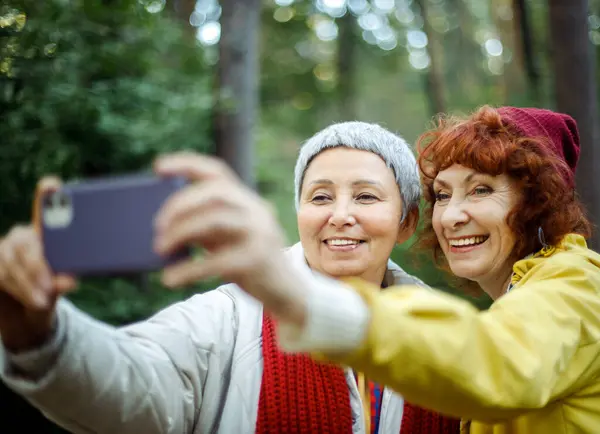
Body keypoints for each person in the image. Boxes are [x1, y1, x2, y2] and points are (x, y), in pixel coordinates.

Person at [0, 122, 460, 433]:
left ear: (405, 221)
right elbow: (133, 382)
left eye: (365, 197)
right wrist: (44, 336)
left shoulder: (444, 335)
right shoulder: (230, 316)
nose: (340, 216)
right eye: (320, 198)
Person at [177, 106, 599, 433]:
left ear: (539, 201)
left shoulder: (576, 286)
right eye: (443, 195)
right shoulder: (519, 300)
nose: (451, 216)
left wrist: (310, 302)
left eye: (481, 190)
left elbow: (499, 362)